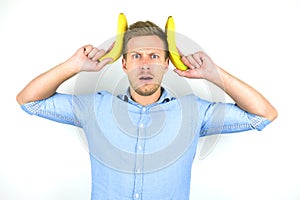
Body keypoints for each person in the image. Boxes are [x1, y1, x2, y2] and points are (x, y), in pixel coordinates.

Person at [16, 20, 277, 200]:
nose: (145, 65)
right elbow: (29, 101)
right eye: (136, 56)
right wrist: (73, 65)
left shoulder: (193, 112)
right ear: (124, 64)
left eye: (153, 56)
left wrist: (214, 74)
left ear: (166, 63)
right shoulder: (95, 107)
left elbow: (263, 114)